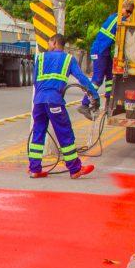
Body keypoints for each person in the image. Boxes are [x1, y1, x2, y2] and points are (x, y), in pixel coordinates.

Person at [29, 34, 101, 179]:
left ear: (55, 43)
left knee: (38, 133)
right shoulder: (68, 59)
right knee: (65, 133)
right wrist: (94, 95)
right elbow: (82, 79)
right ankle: (75, 169)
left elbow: (35, 81)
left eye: (49, 42)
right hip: (54, 101)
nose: (48, 45)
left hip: (38, 102)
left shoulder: (41, 58)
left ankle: (34, 169)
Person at [82, 2, 132, 114]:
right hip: (99, 50)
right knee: (97, 79)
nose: (128, 15)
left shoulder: (114, 17)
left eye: (130, 13)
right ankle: (85, 103)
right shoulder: (118, 19)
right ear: (122, 8)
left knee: (110, 75)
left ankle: (109, 101)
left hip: (105, 51)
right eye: (128, 12)